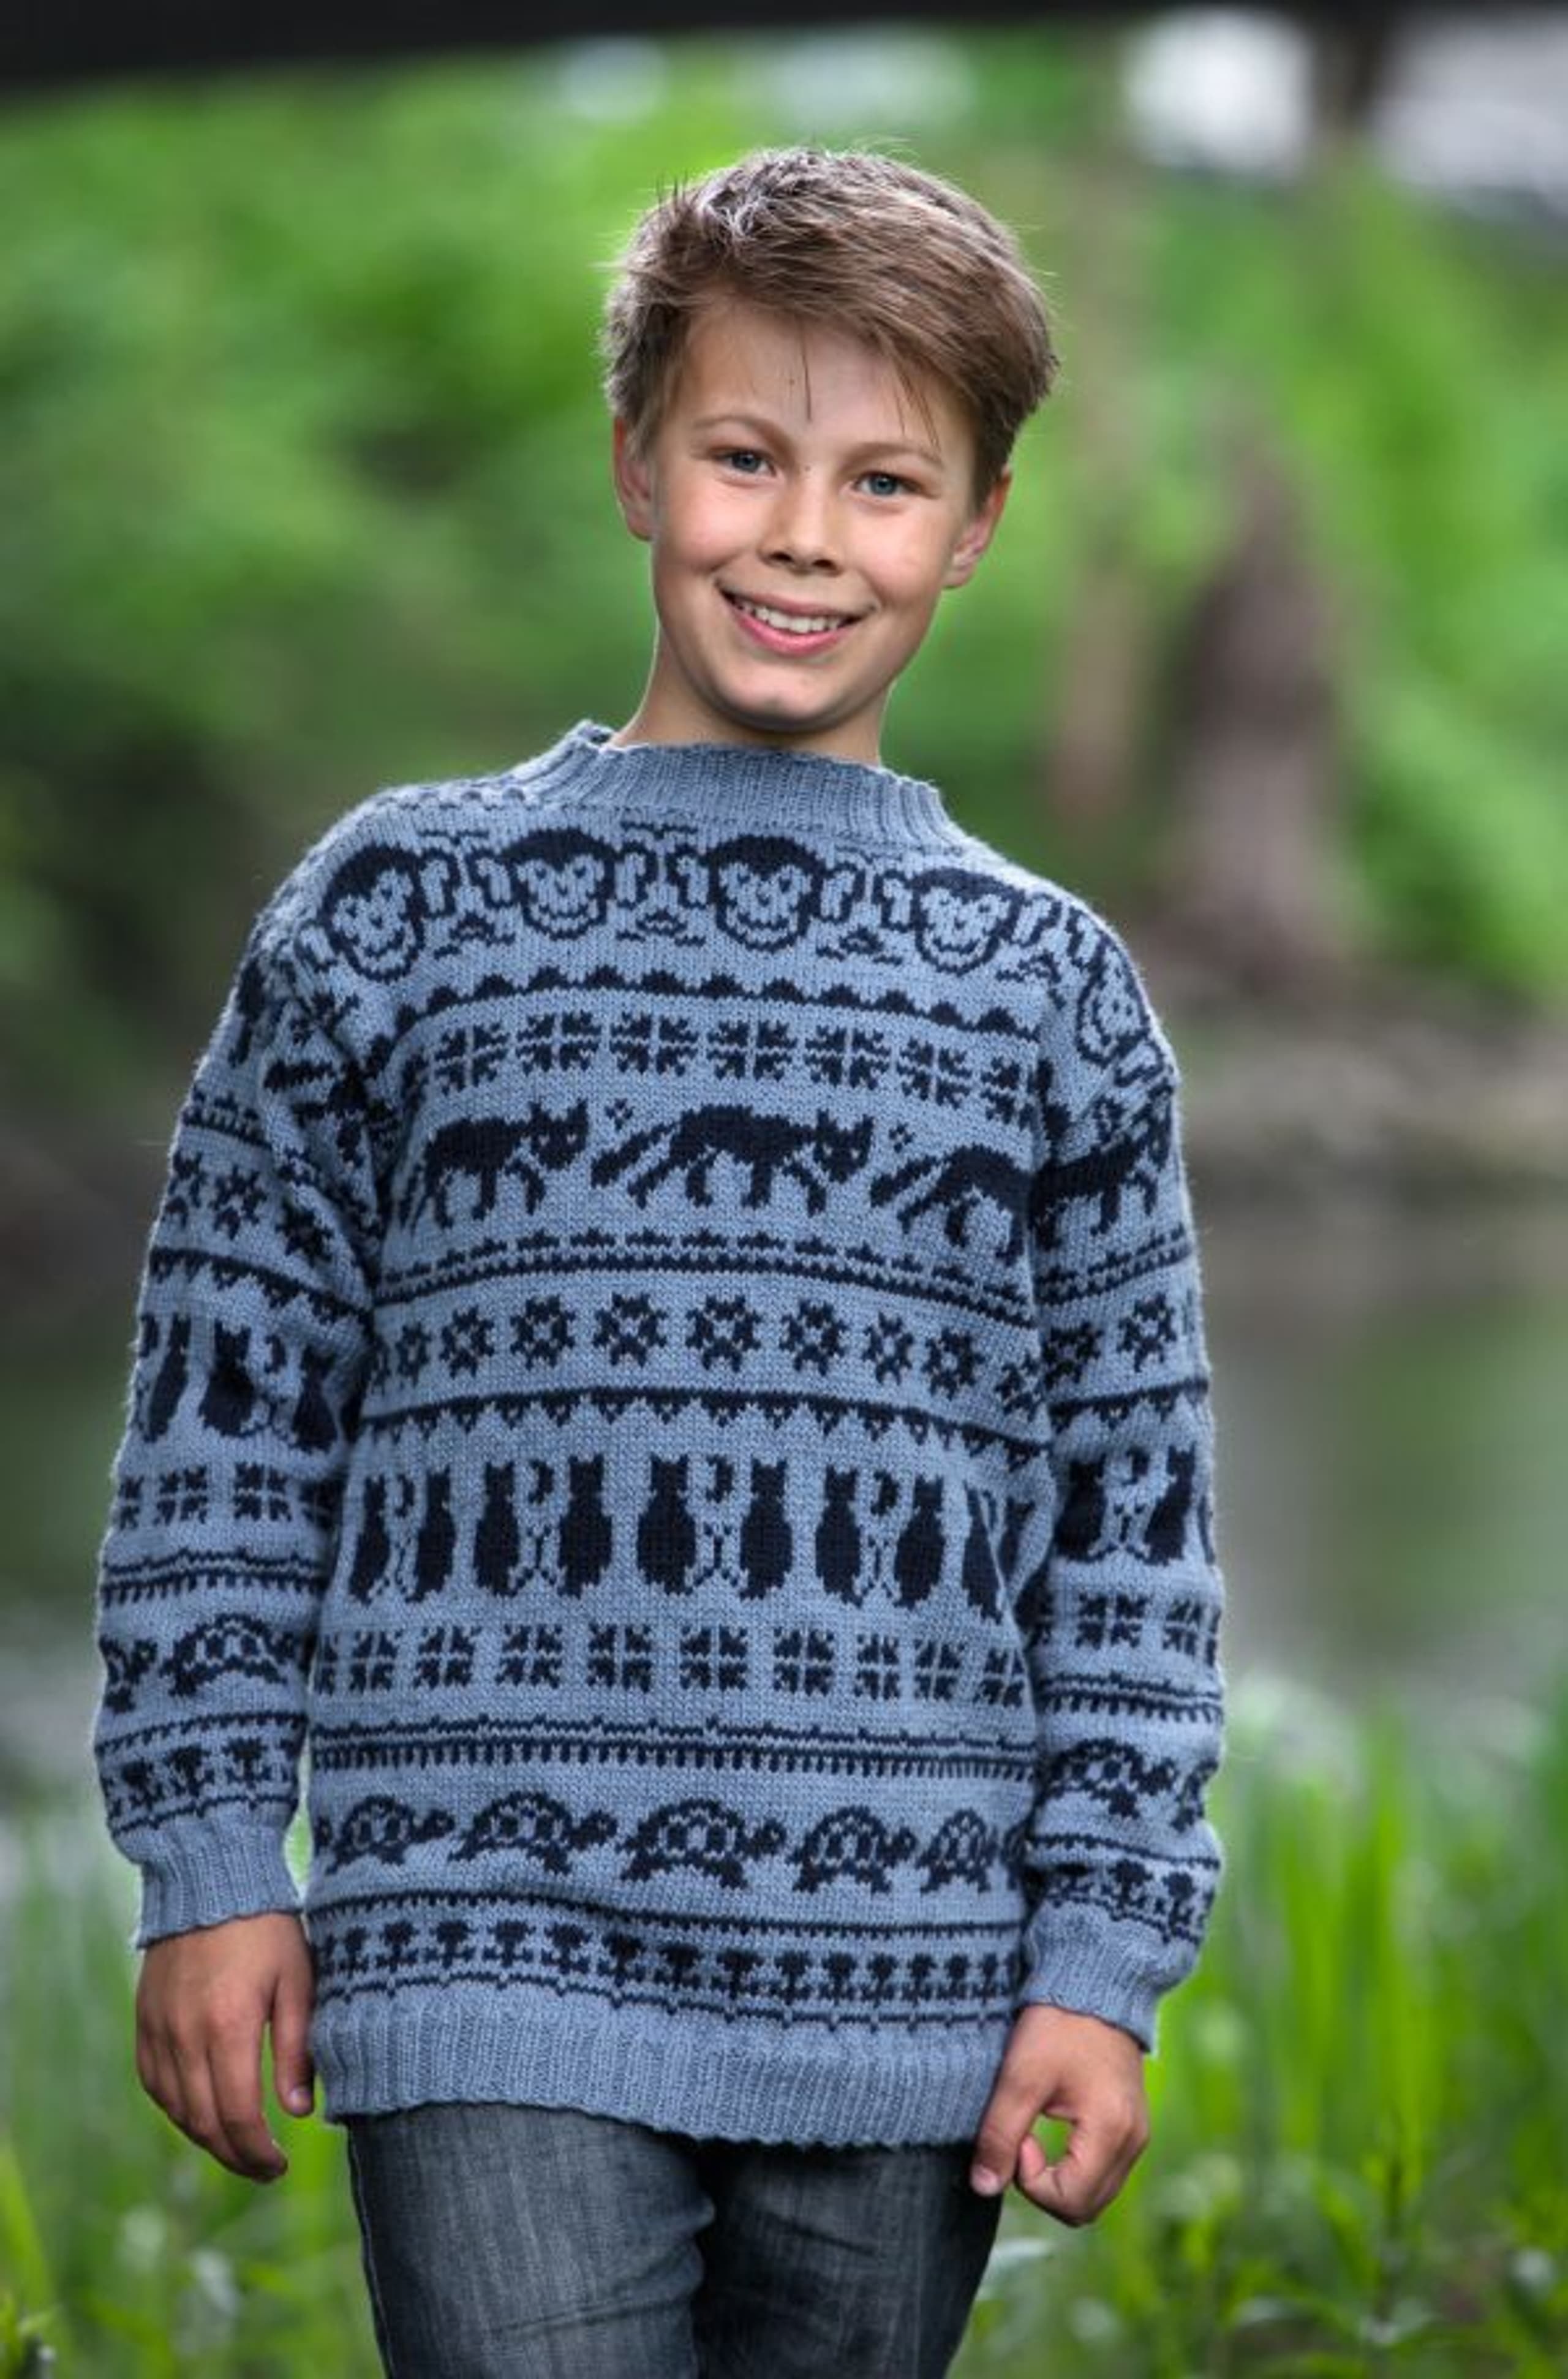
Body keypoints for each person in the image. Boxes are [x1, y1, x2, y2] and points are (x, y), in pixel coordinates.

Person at [90, 145, 1227, 2378]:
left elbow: (1137, 1530)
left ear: (977, 525)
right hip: (480, 1941)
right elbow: (224, 1423)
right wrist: (212, 1857)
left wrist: (1101, 1957)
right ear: (635, 465)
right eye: (744, 456)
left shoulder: (1053, 994)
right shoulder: (394, 913)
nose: (804, 534)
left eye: (885, 481)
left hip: (910, 1978)